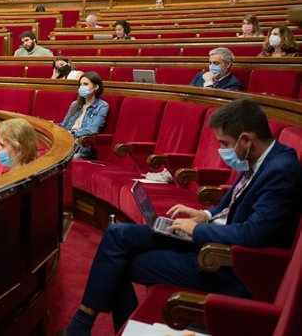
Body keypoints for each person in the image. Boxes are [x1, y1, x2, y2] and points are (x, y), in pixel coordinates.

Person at [62, 98, 302, 335]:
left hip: (229, 264)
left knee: (124, 263)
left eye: (224, 144)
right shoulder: (261, 157)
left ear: (247, 140)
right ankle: (83, 325)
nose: (222, 151)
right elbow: (235, 202)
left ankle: (83, 326)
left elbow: (254, 234)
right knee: (117, 235)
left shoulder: (281, 170)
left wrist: (195, 230)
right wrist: (206, 214)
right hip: (212, 237)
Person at [59, 72, 109, 159]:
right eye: (80, 84)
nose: (82, 87)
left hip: (83, 148)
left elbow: (93, 129)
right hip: (67, 143)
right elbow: (64, 125)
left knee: (58, 161)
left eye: (85, 84)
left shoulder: (102, 106)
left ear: (96, 87)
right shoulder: (75, 104)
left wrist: (72, 133)